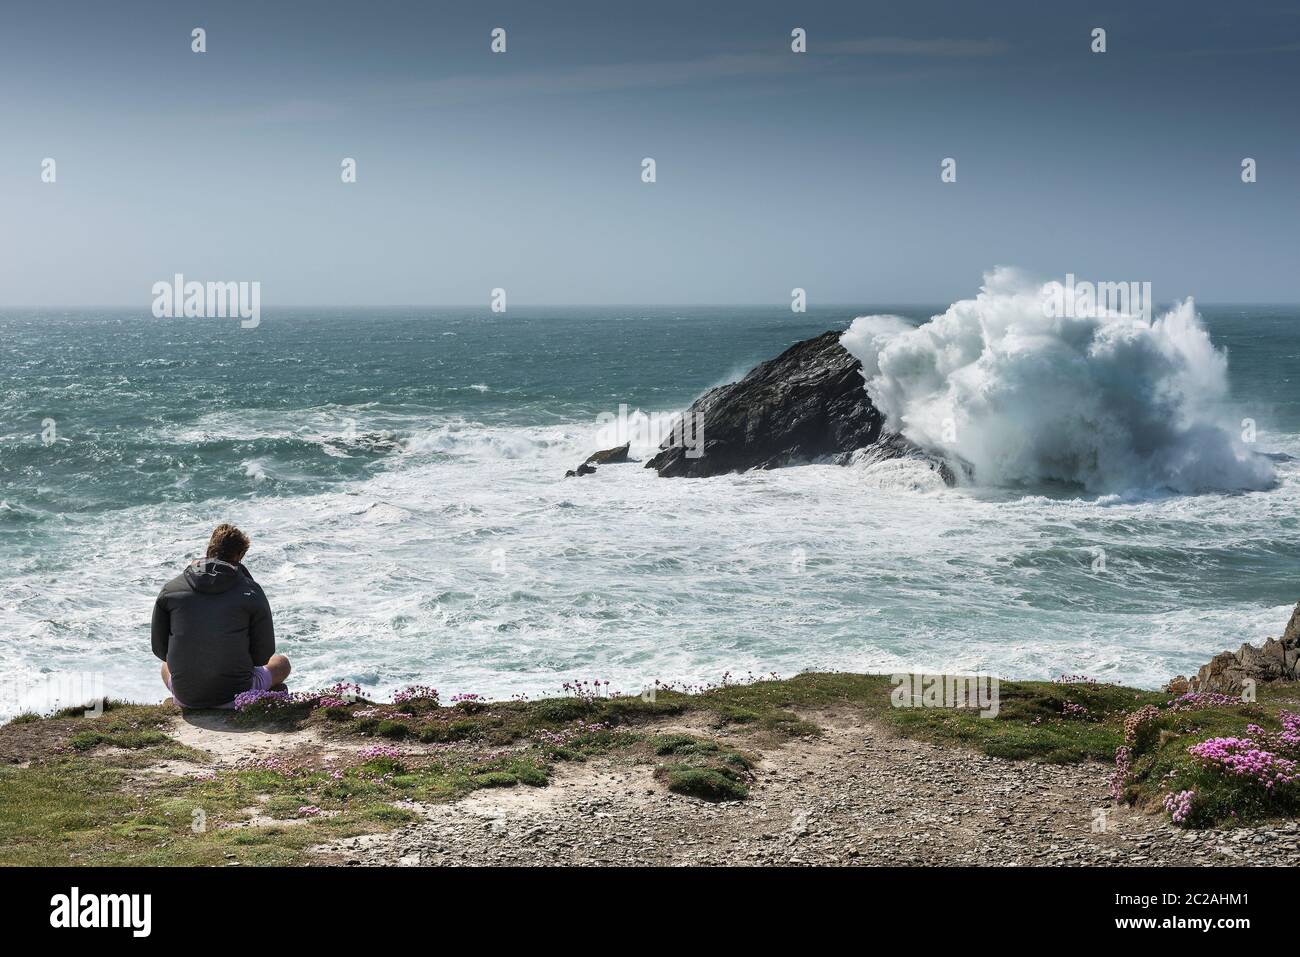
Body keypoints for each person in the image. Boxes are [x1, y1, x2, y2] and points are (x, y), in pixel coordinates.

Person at [152, 523, 290, 708]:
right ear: (240, 556)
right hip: (235, 695)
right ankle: (260, 697)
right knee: (281, 663)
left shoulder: (171, 589)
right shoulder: (251, 591)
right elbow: (262, 656)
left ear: (209, 550)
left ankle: (179, 702)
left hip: (187, 697)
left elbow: (161, 651)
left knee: (165, 667)